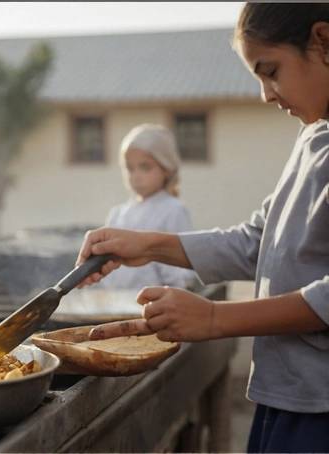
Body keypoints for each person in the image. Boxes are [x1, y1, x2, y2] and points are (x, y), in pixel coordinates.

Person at [75, 4, 329, 452]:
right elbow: (258, 240)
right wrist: (151, 245)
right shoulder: (313, 137)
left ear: (323, 41)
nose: (266, 95)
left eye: (271, 71)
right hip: (286, 391)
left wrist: (214, 318)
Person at [98, 124, 196, 290]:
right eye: (129, 168)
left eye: (145, 167)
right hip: (115, 307)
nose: (135, 176)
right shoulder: (118, 214)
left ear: (166, 168)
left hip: (154, 308)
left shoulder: (173, 210)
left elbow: (181, 272)